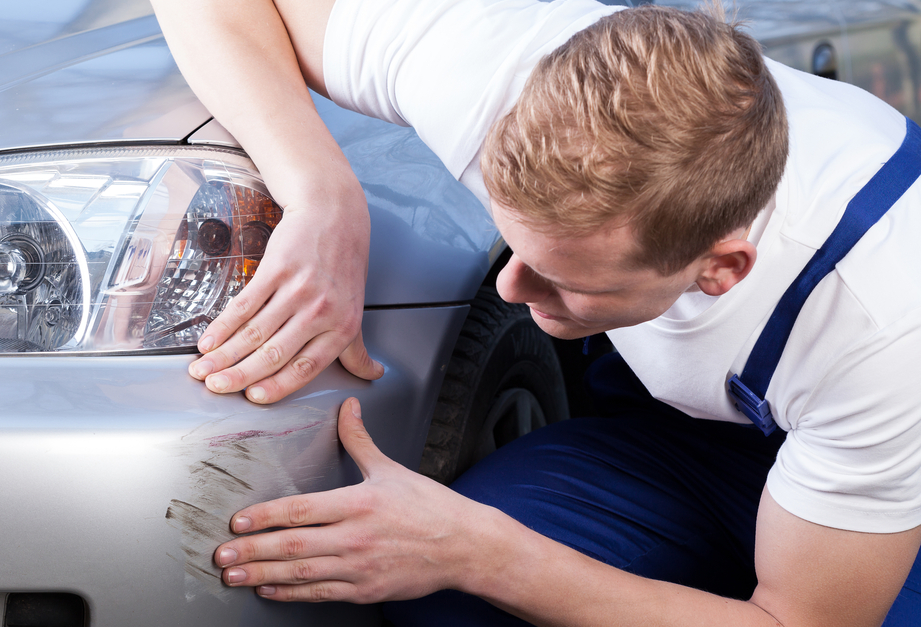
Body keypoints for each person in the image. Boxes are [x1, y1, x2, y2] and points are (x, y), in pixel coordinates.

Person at [150, 0, 921, 625]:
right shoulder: (492, 68)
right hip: (686, 445)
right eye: (517, 244)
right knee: (441, 598)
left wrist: (482, 550)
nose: (513, 290)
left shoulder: (883, 322)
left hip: (886, 490)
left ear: (720, 269)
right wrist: (321, 192)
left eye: (562, 276)